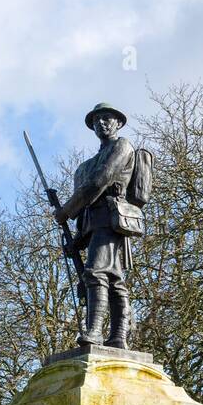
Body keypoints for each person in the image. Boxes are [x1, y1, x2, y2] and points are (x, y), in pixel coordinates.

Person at [53, 103, 139, 349]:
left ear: (118, 123)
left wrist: (66, 211)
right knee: (112, 279)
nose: (101, 123)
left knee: (96, 273)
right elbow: (87, 202)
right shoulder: (86, 164)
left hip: (112, 221)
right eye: (97, 120)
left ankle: (96, 333)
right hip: (94, 224)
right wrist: (78, 239)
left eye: (107, 118)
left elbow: (99, 181)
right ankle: (118, 337)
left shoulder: (122, 147)